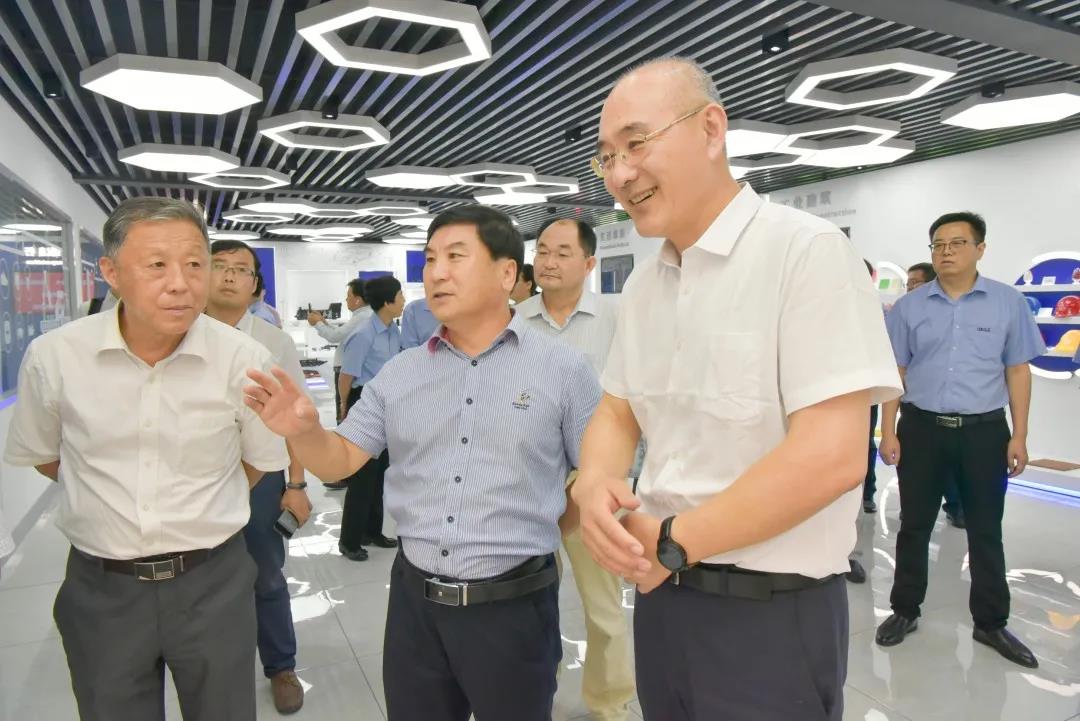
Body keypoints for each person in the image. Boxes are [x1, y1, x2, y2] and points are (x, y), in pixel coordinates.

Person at [571, 57, 902, 721]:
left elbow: (833, 456)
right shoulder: (645, 284)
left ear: (711, 128)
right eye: (606, 157)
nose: (620, 174)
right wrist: (595, 484)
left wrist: (674, 541)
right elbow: (618, 409)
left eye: (636, 143)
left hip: (770, 616)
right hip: (663, 601)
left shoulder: (804, 252)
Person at [243, 205, 601, 721]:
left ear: (506, 273)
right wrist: (304, 432)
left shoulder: (563, 370)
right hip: (416, 609)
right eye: (431, 259)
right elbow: (339, 462)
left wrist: (540, 529)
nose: (437, 273)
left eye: (456, 257)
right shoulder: (401, 373)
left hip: (515, 607)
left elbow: (594, 475)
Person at [3, 197, 288, 721]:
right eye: (157, 265)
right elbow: (46, 456)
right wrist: (113, 495)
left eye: (195, 264)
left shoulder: (244, 359)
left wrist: (195, 503)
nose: (180, 283)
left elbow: (256, 462)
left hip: (214, 582)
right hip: (102, 587)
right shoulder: (56, 356)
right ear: (111, 272)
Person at [876, 211, 1044, 669]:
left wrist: (1020, 435)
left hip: (984, 432)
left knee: (986, 528)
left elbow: (1017, 371)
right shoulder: (910, 307)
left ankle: (991, 622)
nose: (945, 252)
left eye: (956, 243)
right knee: (914, 524)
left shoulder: (1008, 303)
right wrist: (887, 430)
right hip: (921, 429)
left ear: (980, 249)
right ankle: (905, 609)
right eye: (938, 245)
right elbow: (896, 371)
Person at [515, 218, 635, 721]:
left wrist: (621, 478)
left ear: (588, 263)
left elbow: (634, 402)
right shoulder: (514, 321)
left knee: (604, 607)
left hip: (596, 482)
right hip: (530, 480)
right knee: (531, 604)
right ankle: (532, 697)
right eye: (542, 251)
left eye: (562, 253)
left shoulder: (617, 318)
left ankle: (610, 704)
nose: (548, 261)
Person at [205, 239, 313, 714]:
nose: (229, 276)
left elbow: (297, 417)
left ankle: (281, 666)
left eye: (241, 269)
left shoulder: (273, 342)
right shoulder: (178, 333)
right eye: (219, 266)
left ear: (255, 287)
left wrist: (297, 484)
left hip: (263, 475)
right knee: (202, 579)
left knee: (265, 574)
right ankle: (213, 669)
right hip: (196, 477)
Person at [336, 275, 405, 561]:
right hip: (363, 399)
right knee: (362, 475)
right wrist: (344, 407)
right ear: (387, 302)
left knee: (379, 473)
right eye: (399, 296)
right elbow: (347, 375)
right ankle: (349, 540)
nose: (403, 301)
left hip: (386, 401)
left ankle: (372, 531)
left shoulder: (392, 331)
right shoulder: (364, 333)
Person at [905, 261, 965, 527]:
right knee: (918, 476)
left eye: (915, 283)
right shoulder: (906, 312)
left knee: (953, 467)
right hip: (918, 412)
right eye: (908, 284)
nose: (910, 288)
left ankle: (956, 507)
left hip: (961, 414)